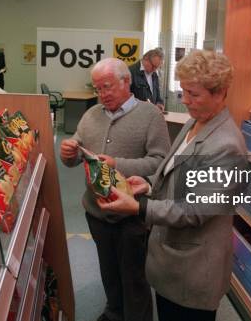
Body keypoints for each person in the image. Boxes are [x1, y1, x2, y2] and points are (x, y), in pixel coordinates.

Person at [98, 50, 247, 321]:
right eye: (184, 92)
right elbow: (172, 171)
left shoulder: (226, 147)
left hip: (194, 269)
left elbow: (193, 211)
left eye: (194, 94)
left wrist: (139, 207)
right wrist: (148, 183)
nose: (185, 101)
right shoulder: (196, 122)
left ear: (220, 92)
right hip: (173, 261)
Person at [60, 58, 170, 321]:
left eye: (107, 87)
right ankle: (114, 313)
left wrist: (118, 164)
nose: (102, 94)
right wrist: (68, 153)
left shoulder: (151, 116)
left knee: (135, 278)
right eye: (98, 89)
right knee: (108, 272)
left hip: (132, 215)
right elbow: (77, 154)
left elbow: (160, 162)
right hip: (96, 212)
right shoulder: (91, 115)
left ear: (126, 81)